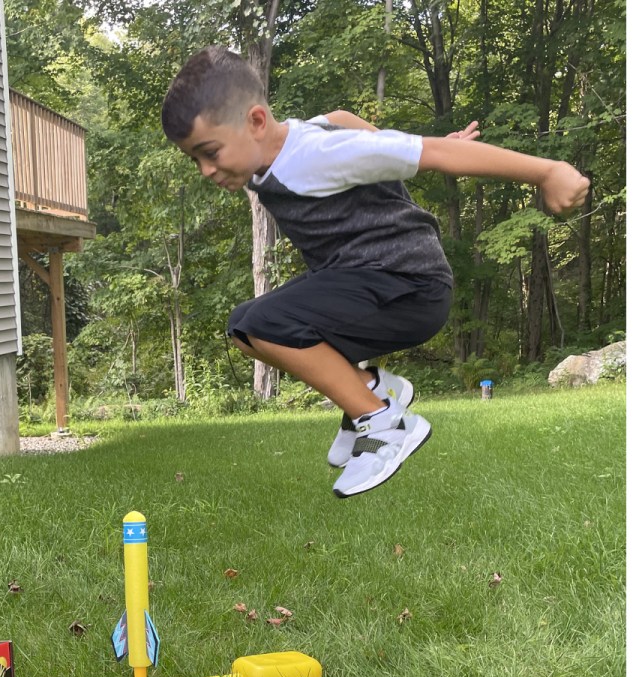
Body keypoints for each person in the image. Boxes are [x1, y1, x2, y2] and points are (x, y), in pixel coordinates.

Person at [161, 46, 589, 498]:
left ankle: (383, 425)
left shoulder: (316, 155)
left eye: (210, 152)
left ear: (256, 121)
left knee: (266, 324)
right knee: (243, 329)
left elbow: (428, 155)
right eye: (195, 159)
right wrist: (404, 143)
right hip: (370, 282)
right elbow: (344, 118)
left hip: (408, 284)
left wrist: (548, 171)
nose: (206, 170)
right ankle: (375, 388)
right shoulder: (305, 138)